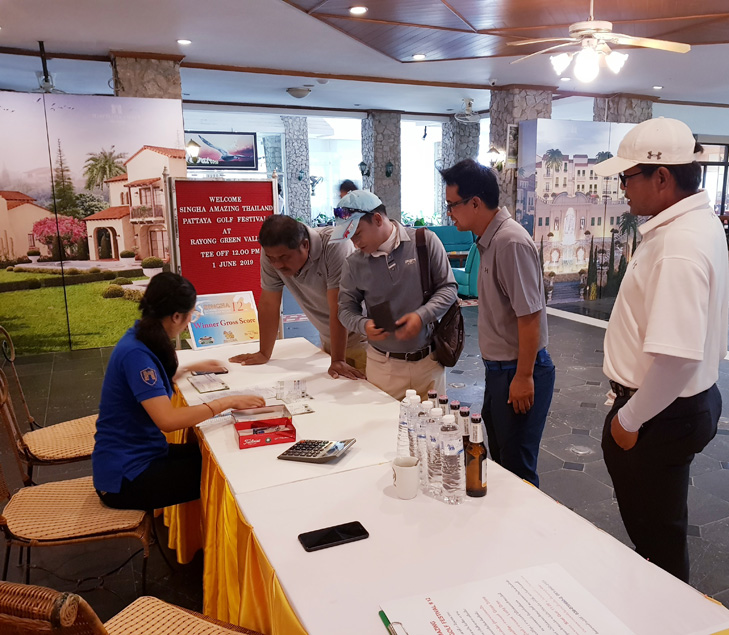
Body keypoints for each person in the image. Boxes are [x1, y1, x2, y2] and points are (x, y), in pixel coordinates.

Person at [593, 117, 729, 582]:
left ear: (662, 177)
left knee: (658, 544)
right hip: (678, 406)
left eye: (627, 177)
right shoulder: (695, 225)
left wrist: (628, 421)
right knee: (662, 528)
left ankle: (665, 612)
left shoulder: (679, 245)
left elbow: (677, 357)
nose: (623, 189)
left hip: (659, 415)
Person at [93, 273, 264, 510]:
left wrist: (187, 369)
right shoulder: (136, 354)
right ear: (176, 316)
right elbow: (168, 420)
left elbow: (147, 387)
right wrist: (228, 401)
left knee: (221, 456)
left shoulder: (140, 337)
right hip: (125, 477)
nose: (189, 321)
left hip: (142, 454)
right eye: (191, 315)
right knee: (230, 472)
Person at [440, 159, 555, 487]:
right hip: (499, 371)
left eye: (452, 205)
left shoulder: (510, 242)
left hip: (518, 371)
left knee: (518, 469)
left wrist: (524, 376)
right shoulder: (488, 241)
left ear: (475, 203)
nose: (450, 213)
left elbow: (529, 316)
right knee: (504, 463)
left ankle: (526, 521)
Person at [335, 190, 458, 400]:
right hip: (383, 368)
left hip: (429, 363)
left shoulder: (424, 242)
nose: (355, 243)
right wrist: (364, 325)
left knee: (434, 420)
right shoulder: (354, 263)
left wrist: (421, 316)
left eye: (357, 234)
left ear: (377, 219)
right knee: (386, 422)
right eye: (350, 238)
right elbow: (345, 310)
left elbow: (448, 288)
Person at [228, 215, 366, 379]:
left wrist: (338, 360)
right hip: (331, 338)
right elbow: (269, 304)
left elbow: (339, 306)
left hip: (364, 336)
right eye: (272, 259)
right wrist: (264, 353)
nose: (277, 265)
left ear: (305, 245)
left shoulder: (335, 244)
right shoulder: (271, 253)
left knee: (365, 388)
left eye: (284, 257)